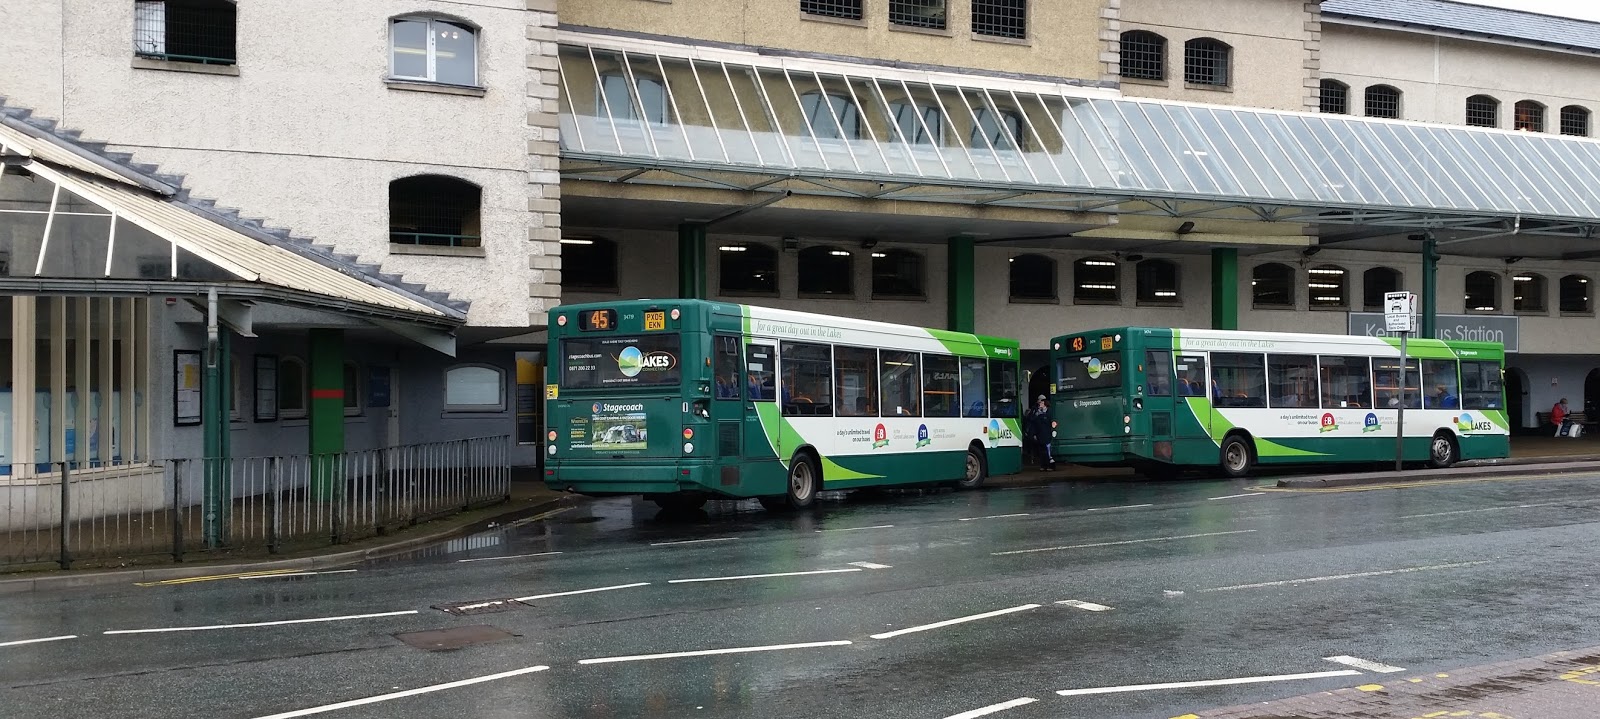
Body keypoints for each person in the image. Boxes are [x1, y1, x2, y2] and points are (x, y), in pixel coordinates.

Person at [1026, 395, 1055, 471]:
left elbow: (1052, 422)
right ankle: (1043, 465)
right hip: (1040, 433)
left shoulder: (1049, 411)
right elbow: (1033, 422)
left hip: (1046, 433)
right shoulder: (1036, 411)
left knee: (1047, 451)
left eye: (1041, 402)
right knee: (1042, 451)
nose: (1039, 404)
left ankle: (1049, 466)